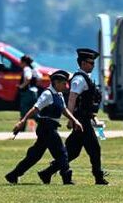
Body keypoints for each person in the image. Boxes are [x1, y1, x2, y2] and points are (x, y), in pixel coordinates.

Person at [38, 48, 108, 185]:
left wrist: (92, 117)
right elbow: (72, 98)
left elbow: (86, 102)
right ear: (82, 63)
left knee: (73, 151)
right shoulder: (79, 79)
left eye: (94, 63)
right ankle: (98, 177)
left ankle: (47, 173)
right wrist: (71, 119)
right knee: (94, 148)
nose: (93, 65)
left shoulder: (85, 78)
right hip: (80, 120)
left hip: (84, 119)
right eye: (90, 63)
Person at [5, 70, 83, 185]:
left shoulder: (59, 94)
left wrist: (74, 120)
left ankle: (13, 175)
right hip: (47, 128)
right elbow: (35, 109)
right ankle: (67, 179)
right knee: (62, 153)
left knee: (34, 155)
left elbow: (63, 109)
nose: (66, 86)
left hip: (50, 128)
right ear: (56, 82)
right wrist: (22, 121)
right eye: (64, 83)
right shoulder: (47, 94)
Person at [16, 55, 40, 132]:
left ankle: (21, 129)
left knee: (24, 112)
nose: (20, 64)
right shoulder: (34, 69)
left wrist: (21, 86)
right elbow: (39, 78)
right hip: (34, 92)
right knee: (35, 112)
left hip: (27, 93)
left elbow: (28, 78)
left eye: (21, 62)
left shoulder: (26, 69)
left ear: (24, 62)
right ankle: (44, 125)